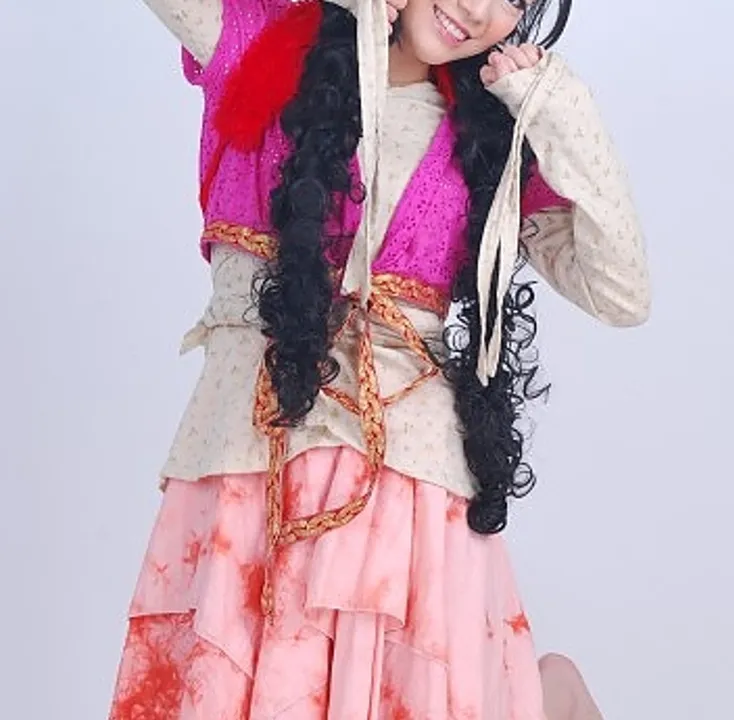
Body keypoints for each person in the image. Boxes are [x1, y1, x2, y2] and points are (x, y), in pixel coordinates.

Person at [109, 0, 649, 717]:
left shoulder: (491, 140)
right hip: (247, 457)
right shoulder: (264, 47)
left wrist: (564, 114)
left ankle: (545, 696)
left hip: (408, 480)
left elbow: (621, 293)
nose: (478, 9)